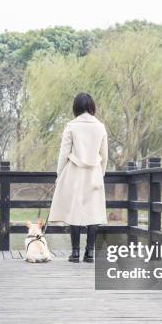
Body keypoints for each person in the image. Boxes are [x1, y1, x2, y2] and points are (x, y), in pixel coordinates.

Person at [48, 93, 108, 263]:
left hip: (74, 172)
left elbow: (64, 153)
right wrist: (100, 173)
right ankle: (89, 253)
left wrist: (60, 174)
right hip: (94, 172)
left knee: (75, 210)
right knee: (93, 211)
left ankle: (75, 253)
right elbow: (104, 154)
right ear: (91, 107)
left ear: (76, 107)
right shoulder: (100, 127)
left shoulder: (71, 126)